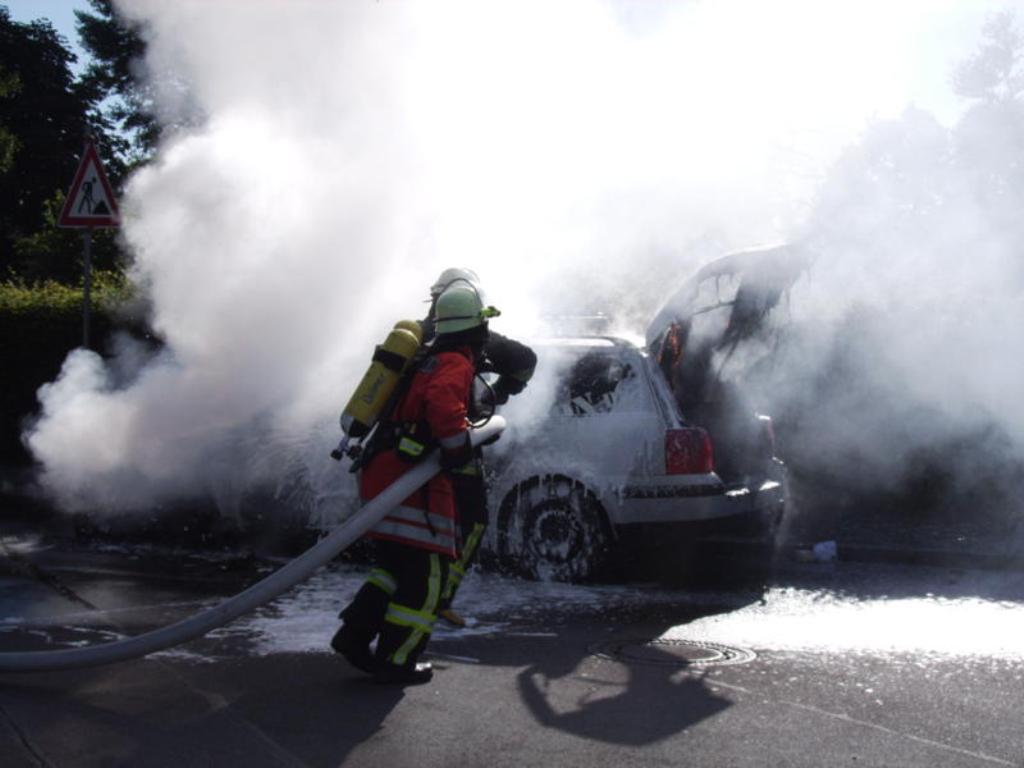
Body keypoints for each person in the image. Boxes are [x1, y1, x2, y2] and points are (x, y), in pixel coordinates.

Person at [331, 283, 498, 685]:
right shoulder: (454, 362)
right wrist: (458, 447)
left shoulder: (426, 357)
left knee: (394, 568)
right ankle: (398, 660)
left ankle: (354, 637)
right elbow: (442, 405)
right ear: (475, 328)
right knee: (428, 578)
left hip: (385, 473)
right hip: (412, 484)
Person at [422, 268, 537, 628]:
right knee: (471, 524)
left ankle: (413, 593)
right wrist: (494, 399)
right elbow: (525, 361)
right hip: (454, 449)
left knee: (416, 529)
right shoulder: (470, 338)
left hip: (407, 455)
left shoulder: (414, 337)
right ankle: (439, 598)